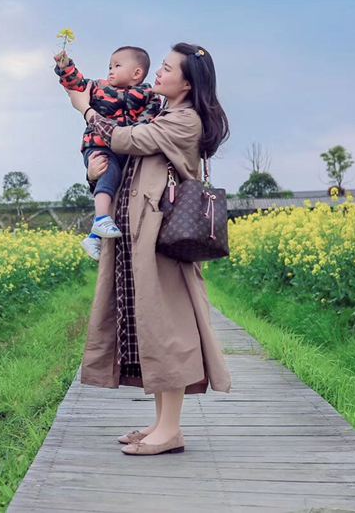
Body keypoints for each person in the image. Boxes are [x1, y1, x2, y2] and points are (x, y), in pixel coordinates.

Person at [65, 42, 233, 456]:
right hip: (140, 235)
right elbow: (122, 162)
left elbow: (124, 139)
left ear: (188, 83)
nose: (158, 74)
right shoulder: (161, 112)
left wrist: (86, 110)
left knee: (166, 328)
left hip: (164, 239)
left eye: (166, 69)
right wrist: (93, 171)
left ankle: (171, 429)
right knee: (149, 328)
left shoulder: (185, 120)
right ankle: (160, 423)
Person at [53, 46, 163, 260]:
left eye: (117, 66)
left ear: (137, 73)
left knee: (118, 184)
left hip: (126, 148)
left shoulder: (149, 95)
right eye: (109, 67)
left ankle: (94, 236)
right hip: (99, 146)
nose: (110, 71)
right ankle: (101, 218)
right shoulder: (98, 87)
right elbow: (77, 84)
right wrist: (66, 67)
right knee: (109, 172)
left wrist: (129, 136)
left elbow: (146, 124)